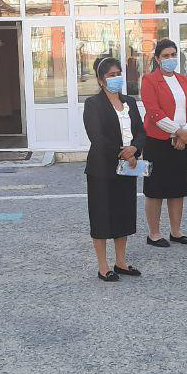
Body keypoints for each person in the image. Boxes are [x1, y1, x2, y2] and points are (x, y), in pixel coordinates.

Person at [82, 57, 146, 282]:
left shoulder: (130, 102)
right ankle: (103, 267)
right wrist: (123, 153)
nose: (116, 78)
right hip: (101, 169)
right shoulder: (93, 104)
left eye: (118, 74)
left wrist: (135, 149)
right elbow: (96, 136)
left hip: (127, 168)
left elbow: (141, 131)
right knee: (101, 216)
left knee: (123, 215)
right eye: (111, 75)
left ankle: (121, 262)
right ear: (101, 80)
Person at [140, 39, 187, 247]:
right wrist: (178, 132)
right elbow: (154, 112)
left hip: (182, 140)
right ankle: (154, 234)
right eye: (165, 55)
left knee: (178, 187)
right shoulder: (149, 80)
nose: (170, 58)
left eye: (173, 54)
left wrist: (186, 133)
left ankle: (176, 231)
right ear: (157, 59)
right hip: (157, 142)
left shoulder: (183, 79)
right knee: (155, 189)